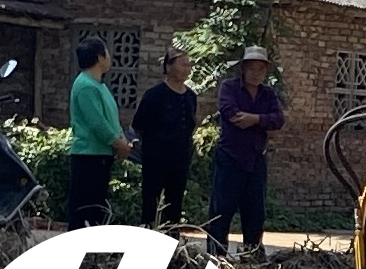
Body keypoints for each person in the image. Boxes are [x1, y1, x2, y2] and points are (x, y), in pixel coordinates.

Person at [206, 41, 285, 257]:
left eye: (260, 69)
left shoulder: (268, 94)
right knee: (221, 210)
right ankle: (216, 256)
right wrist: (263, 123)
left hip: (255, 158)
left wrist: (255, 119)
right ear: (243, 68)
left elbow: (278, 119)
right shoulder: (230, 87)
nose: (255, 74)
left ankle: (252, 256)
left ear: (265, 72)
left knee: (255, 212)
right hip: (230, 158)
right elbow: (231, 113)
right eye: (251, 68)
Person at [131, 43, 198, 231]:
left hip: (180, 160)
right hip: (156, 159)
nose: (186, 68)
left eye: (188, 64)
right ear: (168, 67)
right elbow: (139, 125)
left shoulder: (190, 96)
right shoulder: (154, 95)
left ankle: (172, 242)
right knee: (151, 203)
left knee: (174, 205)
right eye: (182, 64)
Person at [66, 39, 129, 229]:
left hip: (101, 154)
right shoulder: (86, 86)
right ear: (100, 57)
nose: (110, 57)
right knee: (84, 210)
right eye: (107, 53)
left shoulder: (99, 85)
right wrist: (118, 142)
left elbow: (110, 118)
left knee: (97, 209)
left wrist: (121, 139)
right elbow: (97, 123)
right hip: (88, 155)